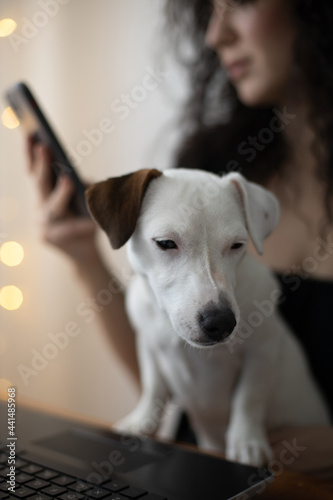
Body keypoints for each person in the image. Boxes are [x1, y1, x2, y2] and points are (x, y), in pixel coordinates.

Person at [25, 0, 333, 479]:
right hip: (198, 467)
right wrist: (86, 255)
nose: (215, 35)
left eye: (242, 2)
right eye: (209, 11)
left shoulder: (235, 194)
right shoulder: (208, 165)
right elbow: (167, 353)